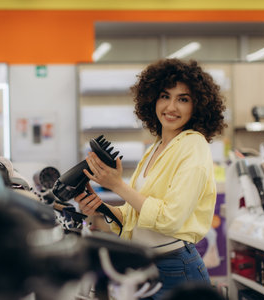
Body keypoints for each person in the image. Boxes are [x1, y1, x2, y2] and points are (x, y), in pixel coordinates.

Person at [75, 58, 227, 299]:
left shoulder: (194, 145)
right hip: (146, 263)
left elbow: (170, 219)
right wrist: (101, 207)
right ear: (152, 99)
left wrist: (117, 185)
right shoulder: (156, 147)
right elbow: (135, 217)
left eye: (183, 99)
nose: (171, 107)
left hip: (176, 266)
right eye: (165, 96)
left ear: (198, 105)